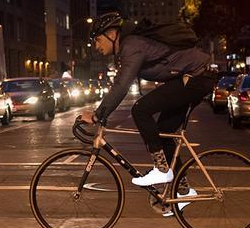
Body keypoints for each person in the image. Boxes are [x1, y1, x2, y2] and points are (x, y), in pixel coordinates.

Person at [81, 11, 216, 191]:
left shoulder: (131, 46)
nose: (96, 46)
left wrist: (98, 115)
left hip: (196, 78)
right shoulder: (129, 47)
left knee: (140, 110)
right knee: (163, 132)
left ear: (112, 34)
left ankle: (161, 170)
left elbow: (121, 86)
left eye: (97, 40)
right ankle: (182, 190)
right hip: (194, 79)